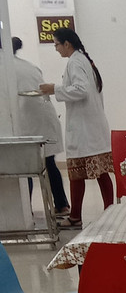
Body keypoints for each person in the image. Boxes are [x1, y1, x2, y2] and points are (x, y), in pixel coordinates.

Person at [40, 27, 113, 228]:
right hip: (92, 127)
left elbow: (81, 90)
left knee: (79, 173)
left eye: (56, 44)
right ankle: (106, 212)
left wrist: (54, 89)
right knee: (98, 173)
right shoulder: (83, 60)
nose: (56, 49)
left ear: (67, 44)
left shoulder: (75, 62)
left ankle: (78, 217)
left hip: (85, 129)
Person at [12, 37, 70, 218]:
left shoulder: (7, 68)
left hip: (28, 123)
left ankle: (24, 212)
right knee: (48, 163)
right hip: (41, 121)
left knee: (26, 168)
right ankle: (61, 205)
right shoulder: (28, 66)